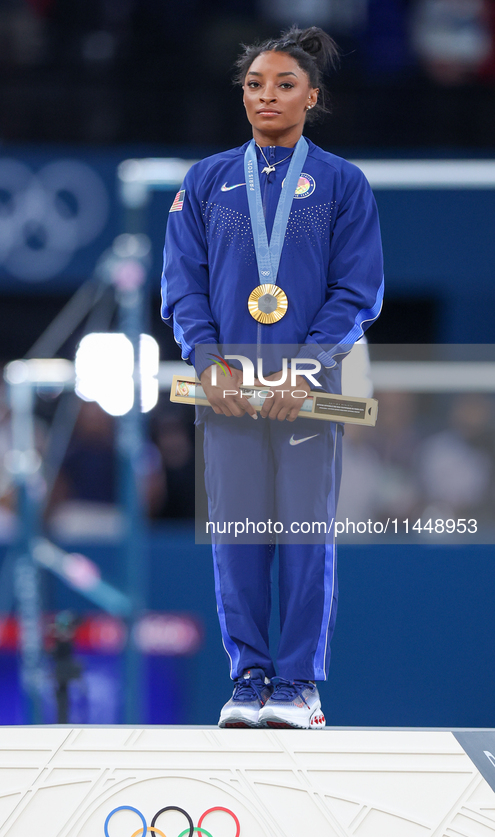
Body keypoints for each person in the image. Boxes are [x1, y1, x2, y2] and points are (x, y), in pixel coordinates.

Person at [161, 26, 383, 728]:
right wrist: (205, 359)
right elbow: (181, 286)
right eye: (255, 84)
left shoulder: (342, 183)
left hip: (305, 396)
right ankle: (248, 676)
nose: (266, 95)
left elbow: (358, 291)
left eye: (283, 84)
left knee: (302, 536)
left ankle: (298, 686)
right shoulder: (204, 181)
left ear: (311, 97)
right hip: (225, 391)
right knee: (237, 536)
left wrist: (307, 368)